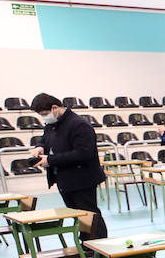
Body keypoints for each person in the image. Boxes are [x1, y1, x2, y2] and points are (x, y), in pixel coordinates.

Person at [28, 93, 107, 241]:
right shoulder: (53, 124)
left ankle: (98, 246)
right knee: (78, 215)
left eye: (45, 114)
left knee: (89, 214)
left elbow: (83, 154)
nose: (45, 118)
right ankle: (86, 245)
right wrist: (40, 147)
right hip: (64, 178)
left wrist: (51, 160)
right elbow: (45, 139)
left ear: (55, 108)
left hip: (82, 178)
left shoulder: (79, 125)